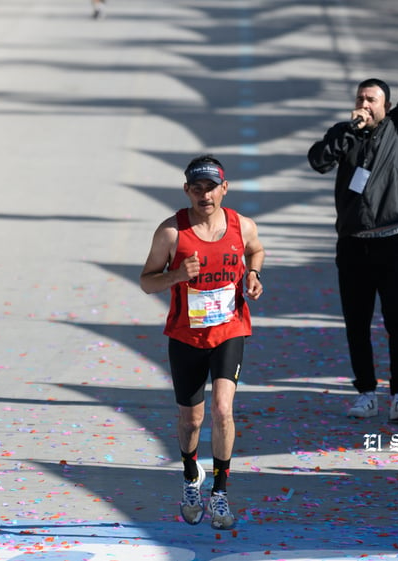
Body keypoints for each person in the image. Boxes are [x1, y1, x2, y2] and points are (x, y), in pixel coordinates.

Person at [307, 7, 398, 423]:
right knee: (357, 324)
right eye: (360, 98)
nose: (364, 104)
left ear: (385, 105)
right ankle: (366, 391)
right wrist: (349, 130)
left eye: (371, 99)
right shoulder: (343, 135)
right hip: (353, 247)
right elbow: (318, 161)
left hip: (392, 243)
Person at [140, 155, 264, 530]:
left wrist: (254, 274)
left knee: (223, 410)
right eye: (197, 188)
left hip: (229, 331)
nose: (204, 194)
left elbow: (255, 249)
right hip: (186, 336)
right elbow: (147, 281)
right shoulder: (171, 232)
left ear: (223, 189)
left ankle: (221, 492)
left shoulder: (241, 225)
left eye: (211, 187)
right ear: (186, 191)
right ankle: (190, 476)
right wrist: (177, 274)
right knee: (191, 418)